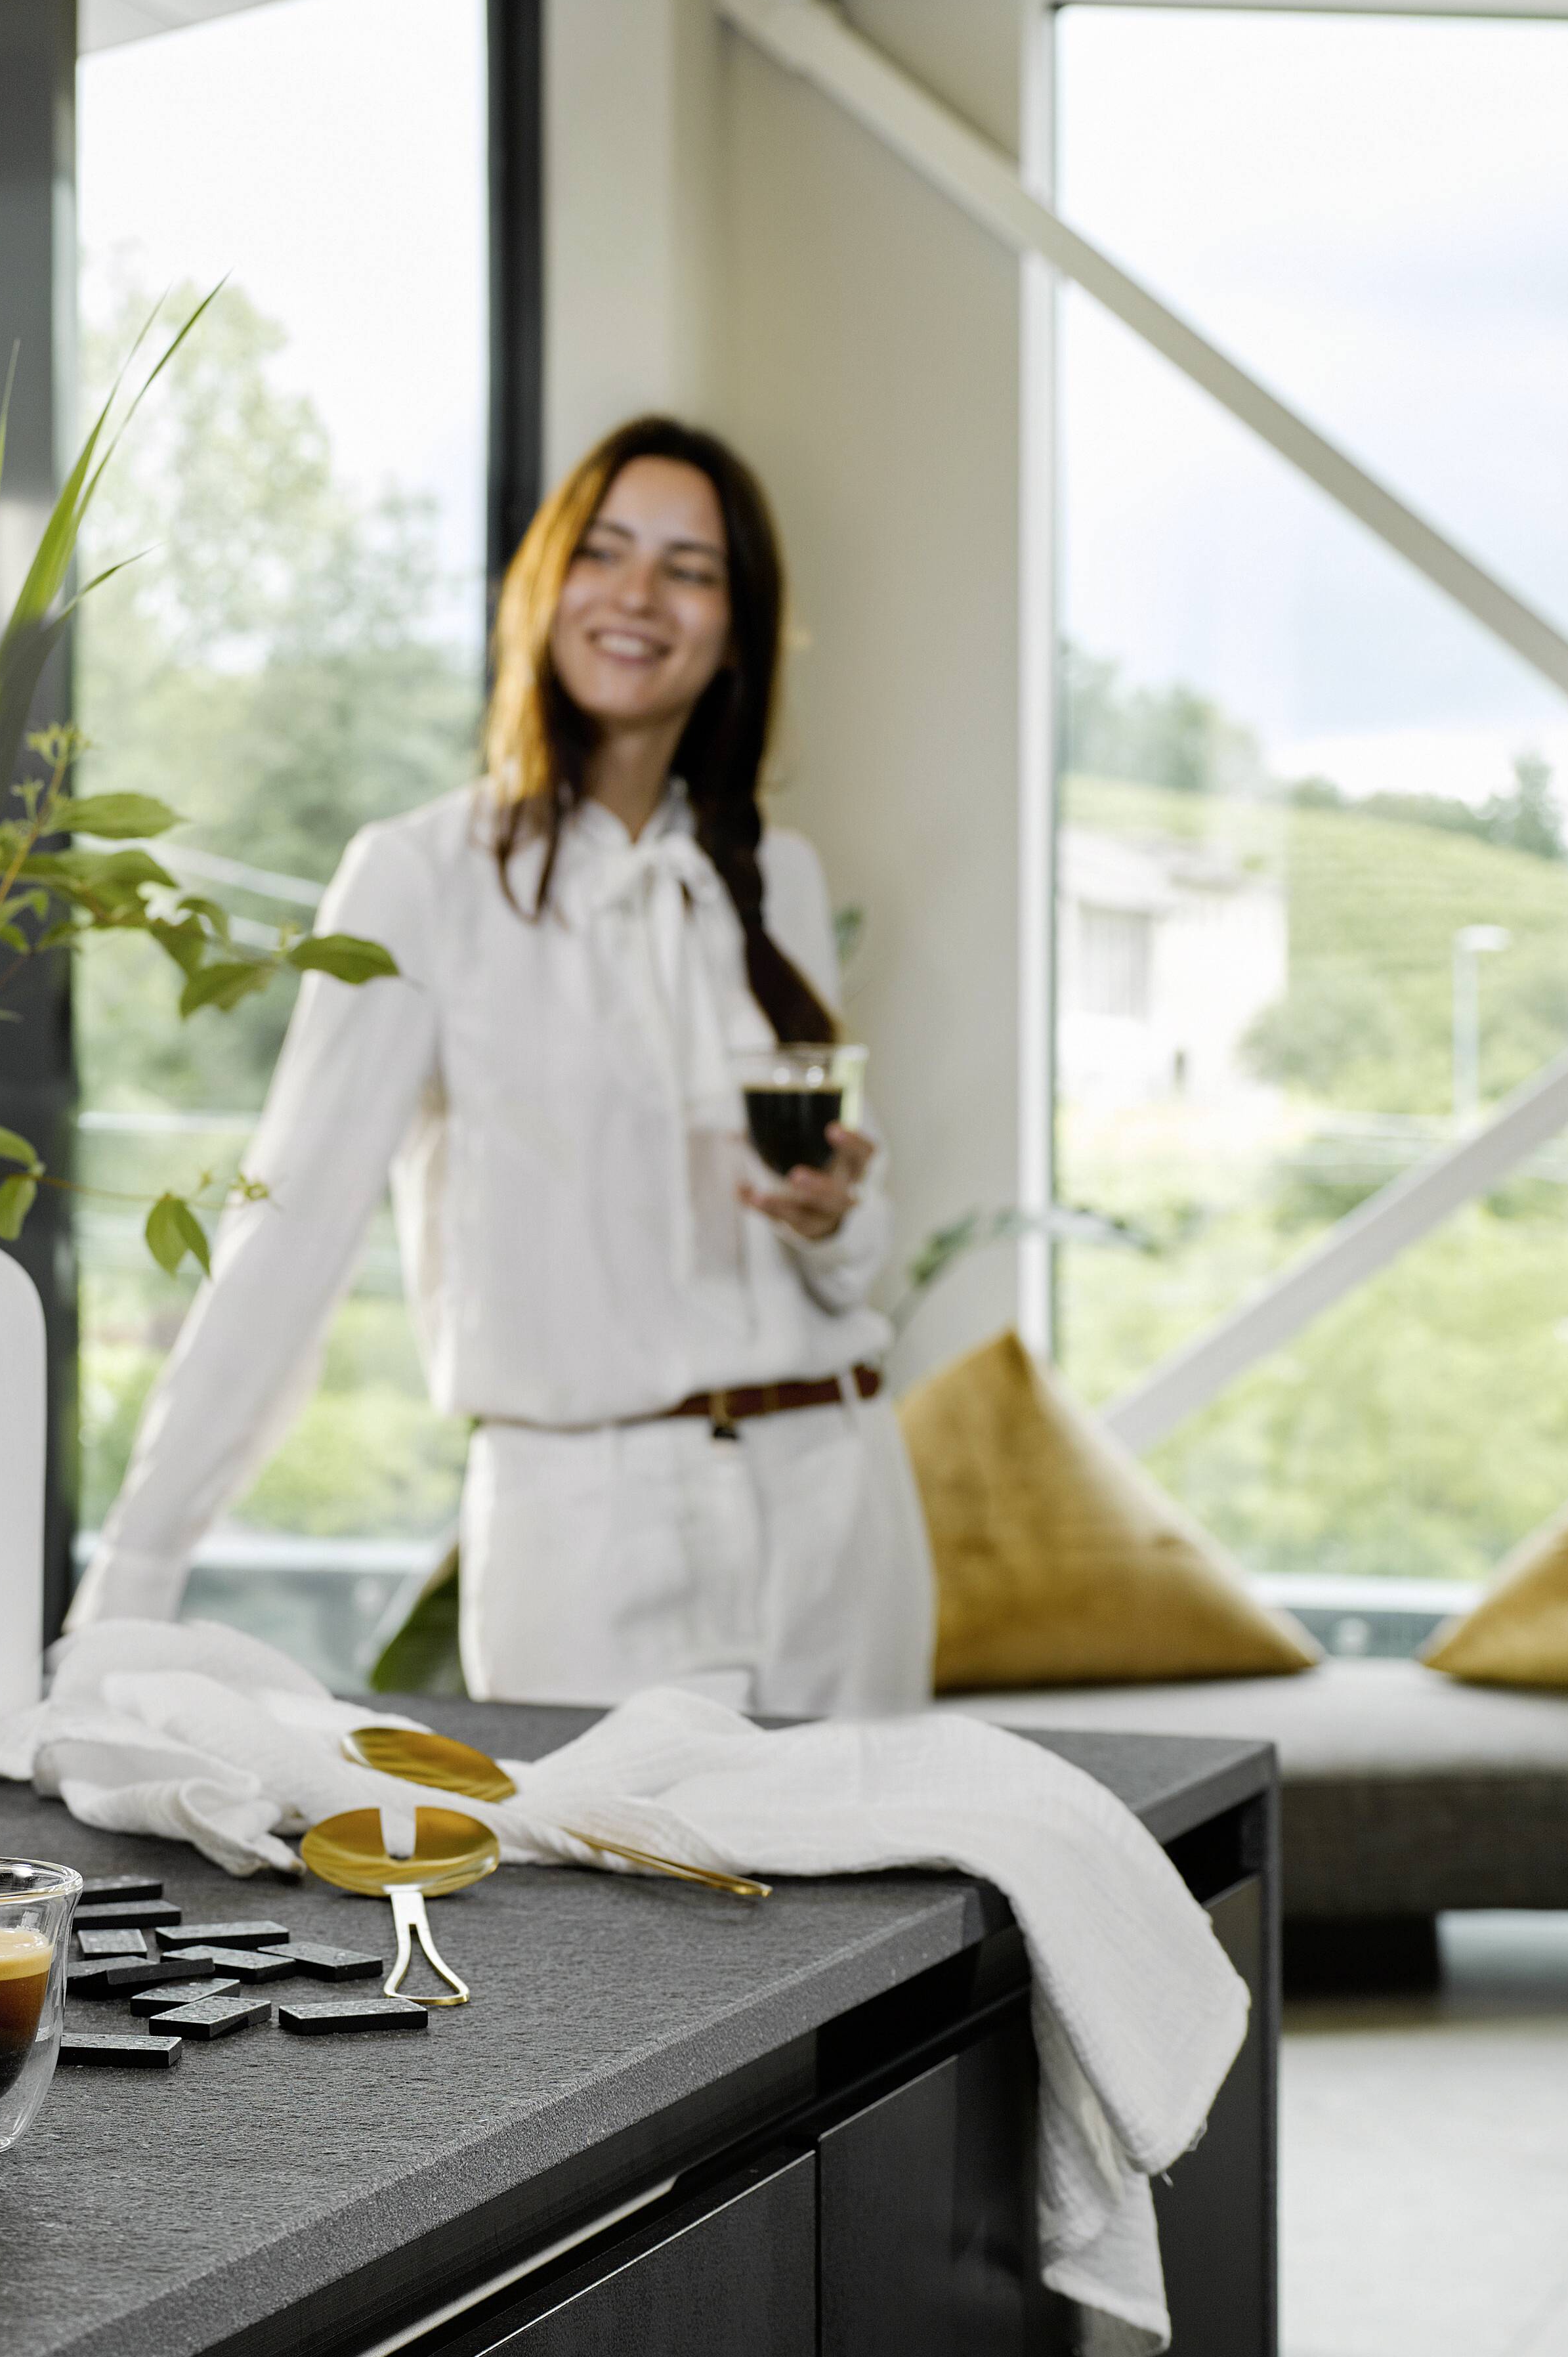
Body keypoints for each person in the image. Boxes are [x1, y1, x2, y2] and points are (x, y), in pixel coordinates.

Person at [72, 416, 930, 1716]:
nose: (640, 595)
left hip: (836, 1508)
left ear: (736, 628)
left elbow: (847, 1256)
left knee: (893, 1920)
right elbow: (286, 1236)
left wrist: (832, 1221)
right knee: (601, 1920)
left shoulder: (778, 881)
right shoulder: (420, 878)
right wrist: (126, 1593)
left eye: (690, 568)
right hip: (587, 1535)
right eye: (605, 552)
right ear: (542, 590)